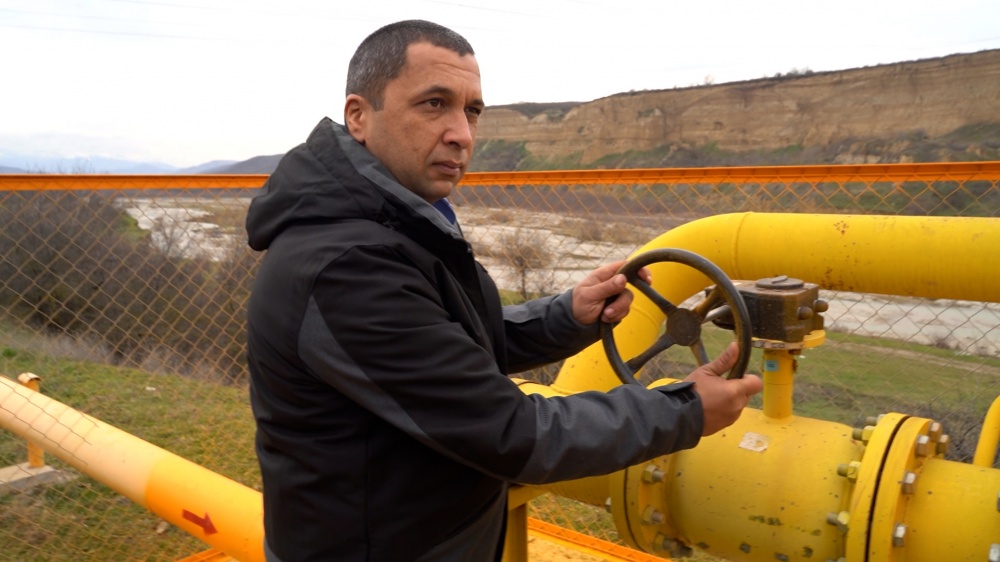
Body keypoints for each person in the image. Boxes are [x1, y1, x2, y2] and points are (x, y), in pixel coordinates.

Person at [245, 19, 763, 562]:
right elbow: (512, 434)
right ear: (359, 116)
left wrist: (569, 316)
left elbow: (446, 345)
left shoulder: (393, 224)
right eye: (434, 104)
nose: (462, 134)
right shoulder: (347, 267)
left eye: (471, 111)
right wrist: (682, 410)